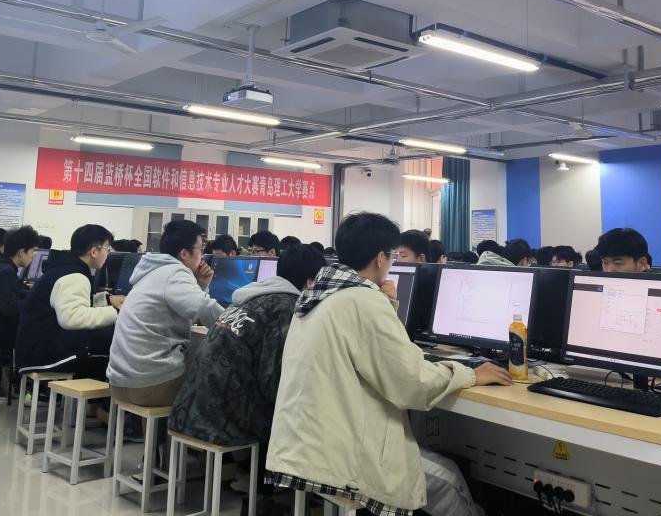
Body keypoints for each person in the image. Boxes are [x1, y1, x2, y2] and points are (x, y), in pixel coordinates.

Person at [267, 212, 511, 515]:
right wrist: (470, 373)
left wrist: (386, 305)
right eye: (393, 256)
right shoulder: (363, 301)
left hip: (305, 444)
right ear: (381, 258)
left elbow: (371, 350)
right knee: (449, 480)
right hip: (342, 453)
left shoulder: (320, 295)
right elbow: (412, 383)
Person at [168, 243, 327, 505]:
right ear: (310, 282)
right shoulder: (287, 307)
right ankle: (269, 493)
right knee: (293, 412)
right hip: (219, 420)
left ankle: (251, 477)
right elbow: (273, 381)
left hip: (191, 408)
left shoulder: (250, 297)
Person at [107, 220, 222, 406]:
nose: (202, 254)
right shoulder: (175, 272)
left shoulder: (153, 270)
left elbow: (190, 307)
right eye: (200, 248)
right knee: (218, 376)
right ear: (184, 253)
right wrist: (239, 323)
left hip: (120, 383)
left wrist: (201, 285)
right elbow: (205, 308)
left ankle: (151, 428)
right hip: (149, 386)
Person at [15, 224, 121, 377]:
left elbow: (69, 303)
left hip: (34, 348)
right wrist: (117, 312)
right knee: (114, 341)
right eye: (107, 248)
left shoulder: (64, 268)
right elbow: (72, 318)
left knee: (104, 337)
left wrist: (107, 300)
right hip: (44, 354)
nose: (107, 254)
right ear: (93, 251)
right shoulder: (74, 276)